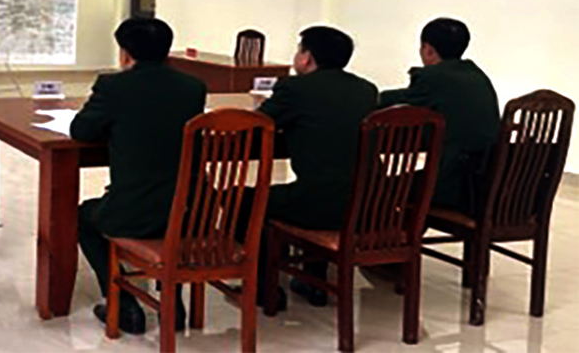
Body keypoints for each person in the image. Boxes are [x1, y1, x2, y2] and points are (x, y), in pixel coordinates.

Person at [71, 17, 206, 335]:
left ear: (125, 53)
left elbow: (82, 130)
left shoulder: (113, 87)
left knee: (82, 217)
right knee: (168, 207)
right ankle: (173, 303)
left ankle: (123, 303)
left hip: (133, 214)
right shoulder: (193, 87)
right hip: (189, 216)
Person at [237, 26, 378, 308]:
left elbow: (256, 125)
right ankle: (312, 279)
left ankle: (263, 286)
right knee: (325, 185)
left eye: (299, 49)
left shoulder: (295, 89)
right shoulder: (366, 90)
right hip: (366, 205)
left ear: (307, 57)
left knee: (245, 198)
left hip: (318, 205)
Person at [379, 18, 500, 214]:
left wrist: (369, 95)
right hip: (484, 183)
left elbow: (403, 102)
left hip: (453, 184)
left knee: (379, 187)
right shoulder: (477, 75)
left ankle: (394, 232)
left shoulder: (432, 77)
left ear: (427, 49)